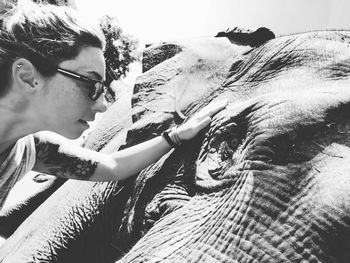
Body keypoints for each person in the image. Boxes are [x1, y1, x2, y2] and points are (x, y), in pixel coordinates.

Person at [0, 1, 226, 209]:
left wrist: (176, 135)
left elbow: (112, 166)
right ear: (28, 77)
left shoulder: (28, 151)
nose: (102, 105)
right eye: (92, 85)